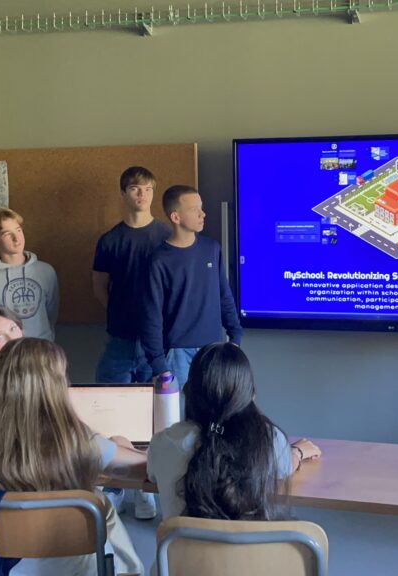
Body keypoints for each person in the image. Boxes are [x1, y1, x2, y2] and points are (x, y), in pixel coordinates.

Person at [0, 338, 145, 576]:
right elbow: (144, 467)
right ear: (54, 385)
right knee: (98, 502)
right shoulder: (75, 440)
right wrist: (119, 444)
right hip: (73, 569)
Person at [147, 342, 320, 520]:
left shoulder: (162, 442)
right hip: (253, 540)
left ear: (189, 391)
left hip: (181, 539)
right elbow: (286, 465)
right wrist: (298, 452)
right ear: (250, 394)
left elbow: (152, 473)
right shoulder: (268, 438)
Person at [140, 185, 243, 392]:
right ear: (176, 217)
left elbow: (224, 295)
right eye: (194, 209)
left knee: (211, 408)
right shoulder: (158, 260)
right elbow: (151, 315)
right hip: (176, 354)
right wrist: (159, 365)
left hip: (212, 349)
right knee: (178, 410)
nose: (202, 214)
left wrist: (235, 335)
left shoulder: (211, 249)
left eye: (201, 208)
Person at [92, 166, 171, 384]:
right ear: (123, 193)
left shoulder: (167, 237)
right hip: (120, 338)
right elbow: (99, 285)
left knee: (158, 401)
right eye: (135, 188)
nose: (142, 194)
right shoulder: (109, 240)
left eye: (148, 189)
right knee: (110, 399)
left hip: (158, 339)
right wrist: (118, 310)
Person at [0, 207, 59, 341]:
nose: (17, 238)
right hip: (7, 350)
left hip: (42, 346)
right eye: (7, 234)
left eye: (18, 230)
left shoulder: (46, 272)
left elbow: (51, 313)